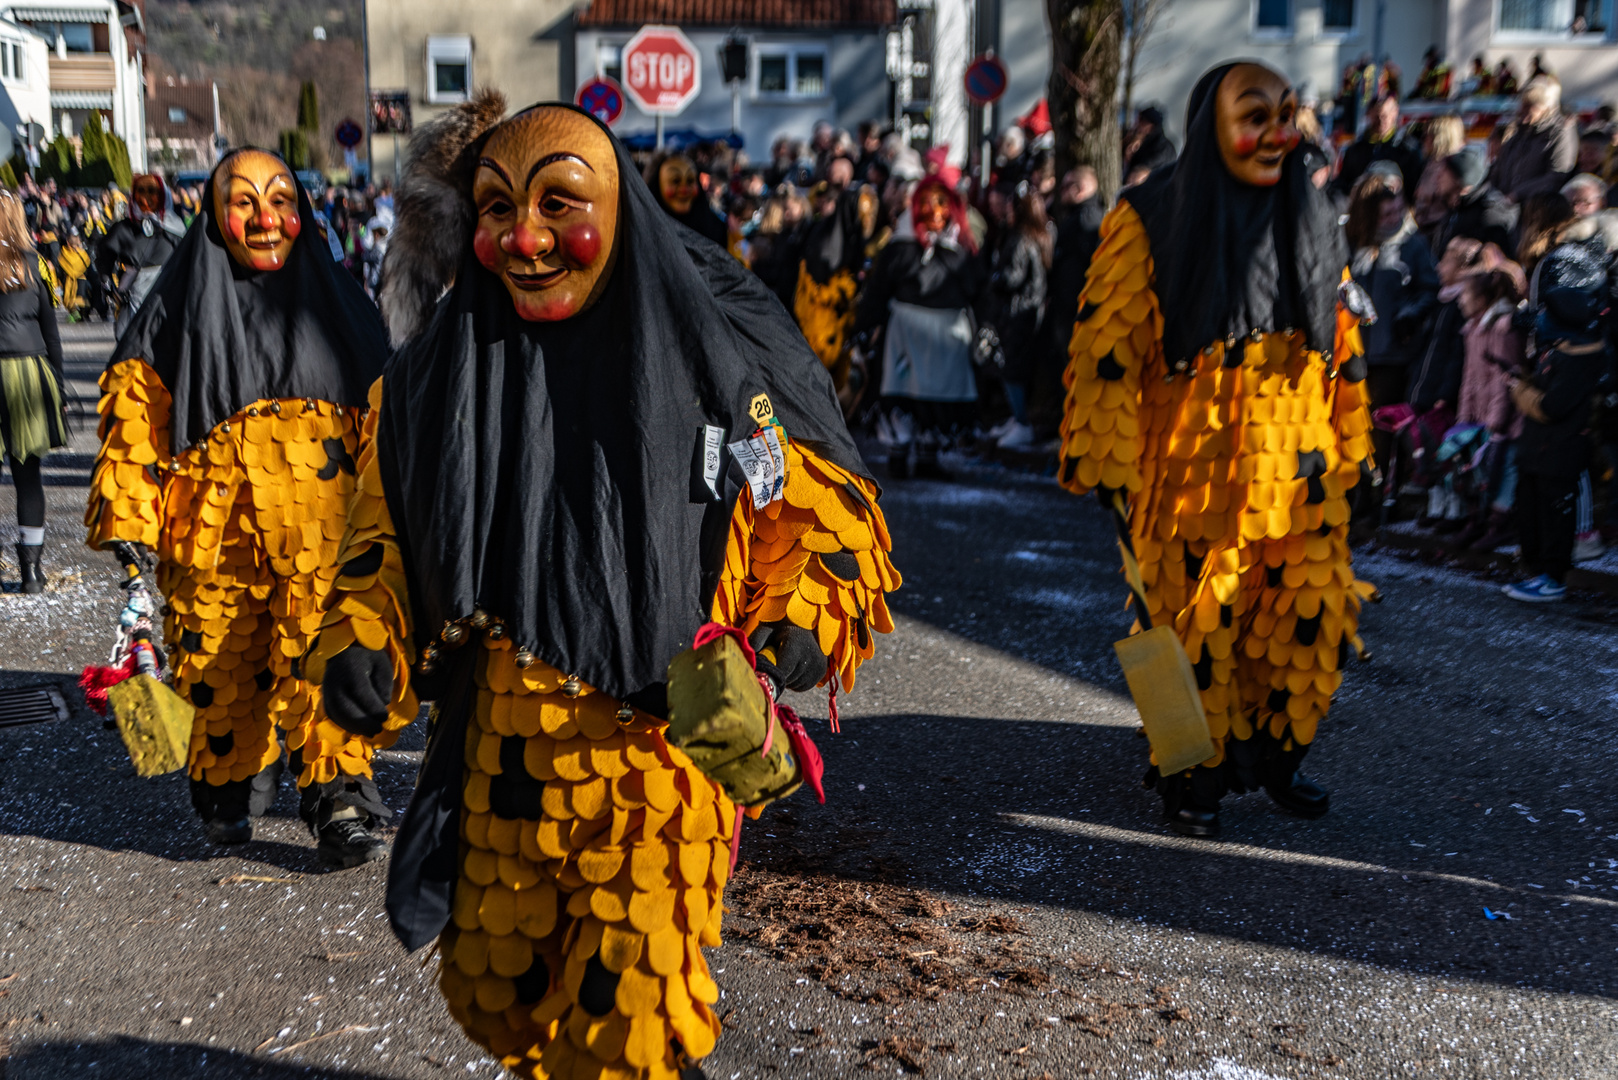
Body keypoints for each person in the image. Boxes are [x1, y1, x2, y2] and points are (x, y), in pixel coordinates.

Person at [314, 94, 901, 1080]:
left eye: (557, 204)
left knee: (626, 1012)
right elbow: (382, 531)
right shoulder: (430, 380)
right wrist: (362, 640)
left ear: (620, 208)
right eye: (499, 209)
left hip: (653, 759)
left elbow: (792, 499)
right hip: (503, 748)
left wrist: (802, 614)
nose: (527, 238)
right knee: (497, 989)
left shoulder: (717, 367)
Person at [1059, 61, 1376, 838]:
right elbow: (1108, 342)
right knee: (1179, 625)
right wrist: (1107, 454)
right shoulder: (1149, 213)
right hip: (1190, 468)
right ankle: (1188, 774)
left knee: (1306, 613)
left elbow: (1343, 341)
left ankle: (1276, 756)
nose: (1276, 132)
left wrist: (1356, 445)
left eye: (1285, 113)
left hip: (1299, 461)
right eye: (1254, 113)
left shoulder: (1312, 207)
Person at [84, 149, 391, 861]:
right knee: (220, 673)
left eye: (280, 199)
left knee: (325, 662)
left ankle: (339, 801)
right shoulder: (173, 306)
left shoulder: (343, 302)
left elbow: (385, 416)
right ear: (213, 215)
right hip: (212, 544)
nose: (264, 218)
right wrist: (131, 527)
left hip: (324, 535)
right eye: (244, 201)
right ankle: (227, 796)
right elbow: (134, 415)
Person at [855, 171, 984, 479]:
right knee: (903, 395)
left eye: (941, 203)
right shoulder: (901, 246)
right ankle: (899, 453)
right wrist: (864, 325)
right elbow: (879, 288)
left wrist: (987, 327)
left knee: (940, 397)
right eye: (927, 202)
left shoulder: (963, 248)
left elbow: (978, 290)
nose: (935, 211)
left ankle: (928, 455)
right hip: (906, 331)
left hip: (948, 333)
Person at [1504, 231, 1609, 602]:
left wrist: (1520, 390)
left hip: (1558, 453)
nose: (1541, 319)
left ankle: (1553, 576)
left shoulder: (1578, 359)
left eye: (1549, 313)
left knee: (1555, 518)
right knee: (1534, 513)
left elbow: (1552, 407)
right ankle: (1536, 569)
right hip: (1539, 454)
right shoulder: (1558, 351)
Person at [1346, 166, 1440, 493]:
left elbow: (1430, 288)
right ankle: (1354, 492)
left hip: (1393, 350)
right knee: (1353, 423)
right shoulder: (1354, 243)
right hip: (1356, 348)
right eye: (1386, 213)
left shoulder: (1412, 245)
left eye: (1397, 211)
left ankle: (1378, 493)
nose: (1393, 218)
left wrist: (1410, 316)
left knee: (1380, 426)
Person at [0, 190, 64, 593]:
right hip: (28, 371)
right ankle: (31, 574)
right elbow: (50, 330)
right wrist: (56, 380)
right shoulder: (32, 265)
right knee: (28, 476)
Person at [984, 179, 1051, 449]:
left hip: (1018, 311)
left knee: (1012, 367)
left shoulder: (1021, 239)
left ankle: (1021, 420)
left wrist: (995, 277)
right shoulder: (1039, 236)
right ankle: (1017, 418)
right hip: (1028, 309)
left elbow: (1012, 277)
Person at [793, 178, 871, 388]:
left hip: (840, 322)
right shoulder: (825, 236)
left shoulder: (853, 237)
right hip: (819, 323)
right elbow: (818, 275)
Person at [97, 173, 186, 334]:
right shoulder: (123, 229)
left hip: (167, 295)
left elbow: (187, 259)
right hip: (134, 296)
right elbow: (104, 255)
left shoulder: (175, 228)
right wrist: (108, 285)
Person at [1490, 77, 1579, 203]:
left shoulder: (1560, 133)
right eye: (1522, 104)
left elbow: (1557, 176)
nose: (1522, 110)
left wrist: (1516, 195)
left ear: (1546, 108)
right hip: (1505, 206)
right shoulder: (1519, 132)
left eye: (1530, 106)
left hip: (1534, 206)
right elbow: (1499, 168)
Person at [1429, 149, 1519, 255]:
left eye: (1444, 171)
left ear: (1459, 180)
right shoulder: (1456, 208)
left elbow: (1497, 261)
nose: (1437, 177)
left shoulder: (1489, 214)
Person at [1333, 95, 1424, 198]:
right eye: (1377, 116)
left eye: (1385, 116)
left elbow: (1414, 187)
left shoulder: (1407, 150)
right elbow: (1343, 183)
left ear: (1395, 113)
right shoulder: (1355, 150)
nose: (1381, 121)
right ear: (1369, 114)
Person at [643, 150, 729, 248]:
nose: (684, 189)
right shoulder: (644, 229)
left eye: (690, 180)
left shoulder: (714, 229)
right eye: (675, 181)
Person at [1124, 106, 1176, 186]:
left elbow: (1141, 171)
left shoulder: (1162, 147)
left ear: (1150, 125)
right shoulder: (1139, 141)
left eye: (1141, 121)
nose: (1136, 124)